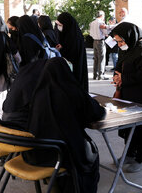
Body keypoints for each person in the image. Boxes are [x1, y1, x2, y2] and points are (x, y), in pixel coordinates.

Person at [24, 57, 106, 193]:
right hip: (61, 152)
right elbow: (96, 113)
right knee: (90, 154)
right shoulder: (72, 91)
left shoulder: (37, 92)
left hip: (36, 151)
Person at [112, 22, 142, 173]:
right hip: (128, 94)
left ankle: (141, 159)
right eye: (117, 41)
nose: (119, 45)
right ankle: (129, 154)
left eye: (121, 41)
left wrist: (123, 78)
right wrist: (117, 77)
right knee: (129, 125)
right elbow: (120, 66)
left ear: (130, 36)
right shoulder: (128, 47)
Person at [56, 12, 89, 92]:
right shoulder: (65, 34)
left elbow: (72, 54)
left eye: (60, 25)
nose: (58, 27)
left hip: (74, 71)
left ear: (66, 24)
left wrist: (61, 50)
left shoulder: (75, 37)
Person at [89, 11, 108, 80]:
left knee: (96, 59)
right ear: (102, 15)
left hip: (94, 41)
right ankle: (101, 75)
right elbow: (106, 32)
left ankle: (95, 75)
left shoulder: (92, 23)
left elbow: (90, 33)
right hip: (100, 41)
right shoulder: (101, 22)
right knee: (102, 59)